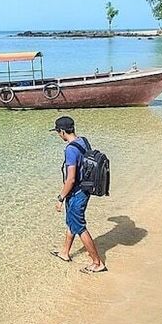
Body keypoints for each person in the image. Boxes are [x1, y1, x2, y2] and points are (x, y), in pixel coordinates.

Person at [50, 116, 107, 273]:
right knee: (71, 222)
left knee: (80, 227)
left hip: (76, 193)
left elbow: (71, 178)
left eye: (57, 132)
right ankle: (65, 253)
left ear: (62, 131)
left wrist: (61, 198)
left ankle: (97, 263)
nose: (58, 135)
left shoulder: (70, 149)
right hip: (84, 189)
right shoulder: (83, 140)